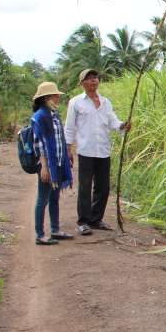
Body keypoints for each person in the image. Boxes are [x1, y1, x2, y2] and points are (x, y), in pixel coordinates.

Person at [64, 68, 131, 235]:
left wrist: (122, 126)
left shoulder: (105, 102)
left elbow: (113, 122)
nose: (94, 80)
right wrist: (68, 149)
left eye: (95, 77)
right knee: (85, 186)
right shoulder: (76, 103)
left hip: (103, 150)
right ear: (82, 83)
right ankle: (83, 221)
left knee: (103, 186)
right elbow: (69, 127)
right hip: (86, 150)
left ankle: (96, 219)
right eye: (89, 78)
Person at [31, 82, 75, 245]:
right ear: (46, 98)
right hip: (47, 164)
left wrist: (64, 159)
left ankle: (55, 229)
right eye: (55, 95)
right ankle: (40, 234)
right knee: (43, 198)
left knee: (54, 197)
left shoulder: (53, 114)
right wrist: (44, 166)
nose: (58, 97)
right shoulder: (40, 117)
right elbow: (39, 143)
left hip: (56, 161)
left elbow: (59, 139)